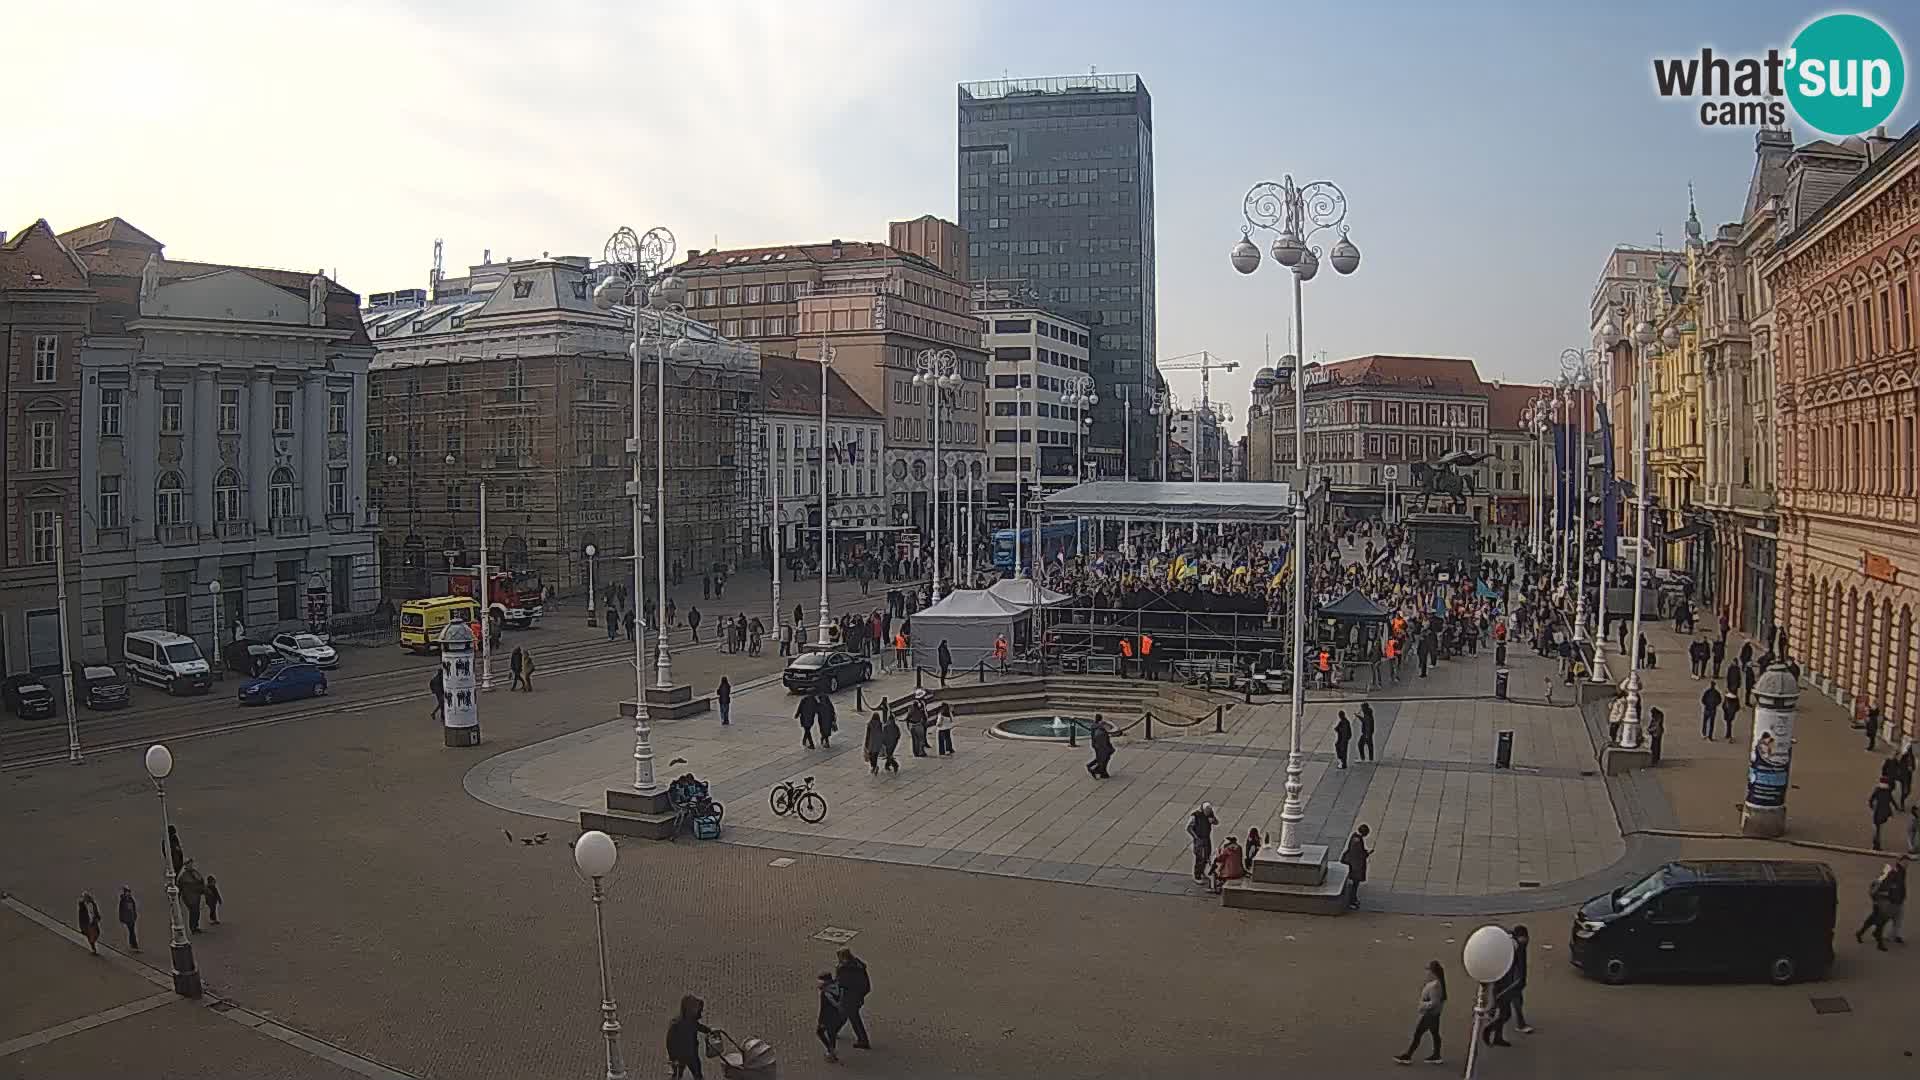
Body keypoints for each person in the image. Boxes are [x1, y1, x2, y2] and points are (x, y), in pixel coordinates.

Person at [1482, 924, 1532, 1045]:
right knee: (1506, 1013)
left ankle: (1498, 1037)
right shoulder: (1515, 948)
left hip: (1508, 985)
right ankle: (1489, 1029)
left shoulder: (1512, 945)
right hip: (1507, 986)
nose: (1527, 940)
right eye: (1525, 937)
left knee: (1506, 1011)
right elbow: (1519, 968)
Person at [1393, 960, 1447, 1065]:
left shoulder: (1435, 986)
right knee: (1435, 1034)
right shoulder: (1438, 983)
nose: (1427, 972)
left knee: (1418, 1034)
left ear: (1433, 972)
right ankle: (1436, 1055)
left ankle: (1407, 1056)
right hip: (1434, 1015)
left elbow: (1434, 1002)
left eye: (1428, 970)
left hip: (1430, 1015)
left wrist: (1423, 1005)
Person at [665, 994, 712, 1079]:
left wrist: (709, 1031)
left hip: (692, 1054)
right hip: (680, 1056)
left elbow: (699, 1027)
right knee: (678, 1075)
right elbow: (670, 1042)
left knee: (697, 1074)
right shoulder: (676, 1024)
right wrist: (672, 1057)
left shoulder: (691, 1021)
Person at [833, 948, 872, 1050]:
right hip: (857, 997)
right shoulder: (858, 965)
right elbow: (865, 985)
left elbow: (840, 984)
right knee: (844, 1015)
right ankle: (834, 1030)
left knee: (852, 1018)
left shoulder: (844, 969)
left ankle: (863, 1041)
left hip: (849, 998)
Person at [1858, 863, 1899, 950]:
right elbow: (1873, 892)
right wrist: (1884, 895)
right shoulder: (1879, 881)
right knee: (1880, 923)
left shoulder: (1886, 881)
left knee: (1872, 920)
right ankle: (1879, 943)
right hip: (1879, 905)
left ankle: (1860, 933)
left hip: (1883, 905)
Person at [815, 972, 847, 1063]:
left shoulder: (825, 993)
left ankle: (831, 1052)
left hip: (829, 1018)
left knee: (820, 1032)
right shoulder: (839, 986)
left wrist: (821, 1021)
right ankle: (832, 1051)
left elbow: (824, 1009)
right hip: (840, 1015)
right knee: (832, 1033)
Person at [1341, 825, 1371, 910]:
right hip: (1355, 867)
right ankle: (1352, 901)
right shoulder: (1357, 841)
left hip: (1352, 864)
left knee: (1354, 884)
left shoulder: (1354, 836)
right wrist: (1367, 853)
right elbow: (1358, 855)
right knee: (1354, 885)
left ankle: (1353, 900)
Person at [1188, 802, 1219, 884]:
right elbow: (1189, 828)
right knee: (1200, 857)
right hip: (1199, 839)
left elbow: (1216, 822)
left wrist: (1213, 820)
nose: (1208, 813)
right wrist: (1195, 837)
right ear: (1203, 809)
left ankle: (1202, 871)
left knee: (1207, 856)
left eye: (1209, 811)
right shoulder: (1195, 815)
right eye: (1207, 811)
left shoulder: (1210, 813)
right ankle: (1197, 875)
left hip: (1206, 838)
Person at [177, 859, 206, 933]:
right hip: (189, 896)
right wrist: (177, 898)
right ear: (186, 865)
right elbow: (179, 887)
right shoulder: (183, 876)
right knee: (193, 911)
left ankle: (195, 926)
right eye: (189, 864)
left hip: (196, 896)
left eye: (191, 864)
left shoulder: (195, 872)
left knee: (196, 912)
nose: (191, 865)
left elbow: (201, 882)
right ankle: (193, 927)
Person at [1871, 776, 1896, 850]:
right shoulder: (1887, 791)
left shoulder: (1877, 790)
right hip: (1884, 811)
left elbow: (1871, 799)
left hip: (1878, 810)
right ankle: (1876, 843)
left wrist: (1872, 806)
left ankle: (1876, 843)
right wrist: (1896, 807)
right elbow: (1891, 800)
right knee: (1878, 827)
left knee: (1877, 827)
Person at [1087, 715, 1114, 779]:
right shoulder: (1099, 728)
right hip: (1101, 746)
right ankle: (1099, 771)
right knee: (1103, 758)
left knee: (1102, 758)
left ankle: (1098, 769)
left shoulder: (1096, 726)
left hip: (1098, 745)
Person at [864, 705, 887, 776]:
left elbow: (867, 735)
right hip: (877, 743)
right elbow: (882, 734)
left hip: (871, 742)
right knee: (875, 756)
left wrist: (866, 744)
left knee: (871, 755)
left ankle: (874, 766)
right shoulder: (880, 724)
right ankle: (874, 766)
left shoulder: (869, 724)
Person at [879, 705, 902, 773]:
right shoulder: (895, 726)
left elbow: (883, 735)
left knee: (889, 754)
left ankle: (895, 765)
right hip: (892, 743)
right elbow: (898, 734)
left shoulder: (887, 727)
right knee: (889, 754)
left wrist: (883, 742)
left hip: (889, 743)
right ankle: (887, 765)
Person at [117, 886, 139, 951]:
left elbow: (134, 907)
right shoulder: (123, 900)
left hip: (132, 917)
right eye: (127, 892)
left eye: (129, 892)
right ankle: (134, 944)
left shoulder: (131, 899)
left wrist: (135, 915)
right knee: (132, 931)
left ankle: (132, 944)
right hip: (127, 918)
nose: (128, 893)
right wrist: (121, 918)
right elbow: (120, 910)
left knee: (132, 931)